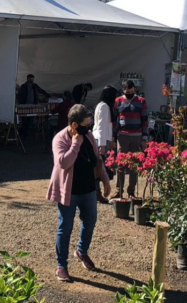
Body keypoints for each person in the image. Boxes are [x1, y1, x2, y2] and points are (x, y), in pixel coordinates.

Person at [48, 105, 111, 282]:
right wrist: (76, 143)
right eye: (85, 125)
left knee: (90, 221)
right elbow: (63, 163)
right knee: (65, 227)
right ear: (74, 125)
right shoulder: (60, 139)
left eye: (89, 125)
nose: (88, 128)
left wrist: (105, 179)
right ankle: (61, 265)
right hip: (69, 192)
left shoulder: (89, 135)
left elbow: (98, 159)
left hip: (89, 188)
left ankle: (81, 251)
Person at [113, 80, 148, 199]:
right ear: (123, 90)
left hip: (136, 136)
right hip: (122, 135)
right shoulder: (118, 101)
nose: (131, 94)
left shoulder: (141, 101)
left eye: (133, 92)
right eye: (128, 92)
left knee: (134, 165)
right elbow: (114, 120)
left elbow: (145, 121)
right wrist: (113, 137)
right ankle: (119, 190)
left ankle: (131, 191)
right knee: (121, 164)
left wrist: (144, 138)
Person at [92, 85, 118, 204]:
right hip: (101, 139)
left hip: (104, 139)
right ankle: (97, 192)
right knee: (99, 167)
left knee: (101, 167)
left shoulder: (103, 105)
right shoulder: (103, 106)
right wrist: (102, 145)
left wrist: (111, 140)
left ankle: (98, 191)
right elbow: (102, 127)